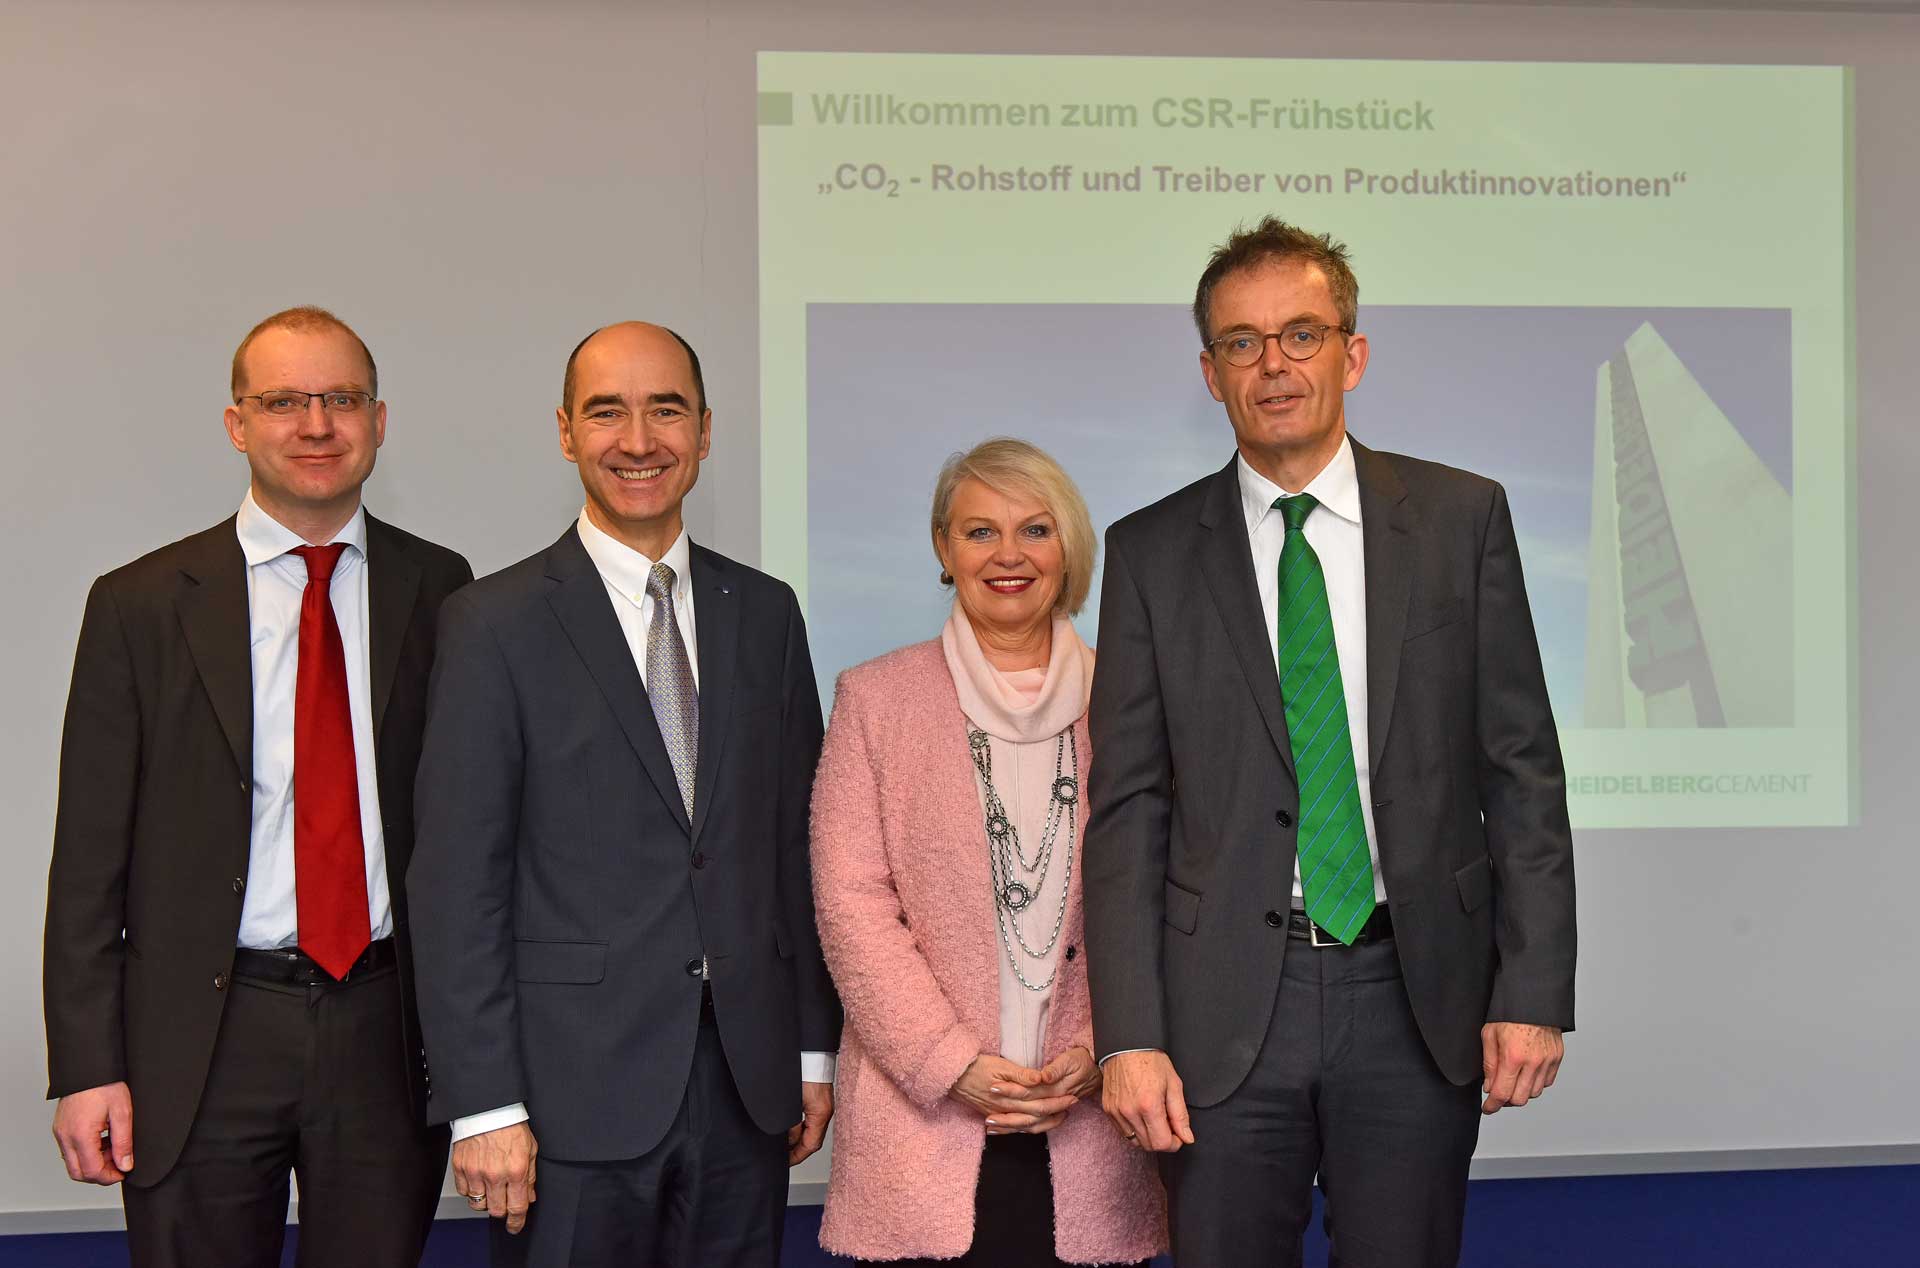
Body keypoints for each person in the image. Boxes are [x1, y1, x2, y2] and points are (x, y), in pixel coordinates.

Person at [1083, 218, 1578, 1267]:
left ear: (1351, 353)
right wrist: (1128, 1032)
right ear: (1210, 372)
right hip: (1221, 1008)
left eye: (1302, 334)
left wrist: (1531, 992)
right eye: (1242, 342)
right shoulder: (1151, 551)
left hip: (1415, 992)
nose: (1274, 364)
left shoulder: (1461, 518)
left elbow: (1521, 771)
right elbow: (1128, 812)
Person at [42, 306, 471, 1267]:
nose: (316, 425)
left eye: (341, 399)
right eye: (284, 401)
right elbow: (87, 863)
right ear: (238, 424)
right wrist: (87, 1067)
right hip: (202, 1034)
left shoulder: (443, 590)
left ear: (380, 420)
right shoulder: (140, 604)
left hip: (384, 1026)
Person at [408, 321, 841, 1267]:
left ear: (707, 430)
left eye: (666, 410)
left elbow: (796, 848)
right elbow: (456, 883)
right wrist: (484, 1102)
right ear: (566, 432)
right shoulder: (493, 624)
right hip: (566, 1101)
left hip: (744, 1087)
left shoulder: (764, 613)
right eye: (607, 412)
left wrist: (813, 1049)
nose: (638, 440)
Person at [810, 439, 1165, 1268]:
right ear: (944, 549)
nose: (1009, 555)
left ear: (1069, 548)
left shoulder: (1133, 701)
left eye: (1035, 530)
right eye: (979, 532)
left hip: (1093, 1119)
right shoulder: (875, 700)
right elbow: (850, 903)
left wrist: (1104, 1047)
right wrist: (951, 1063)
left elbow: (1170, 892)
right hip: (924, 1122)